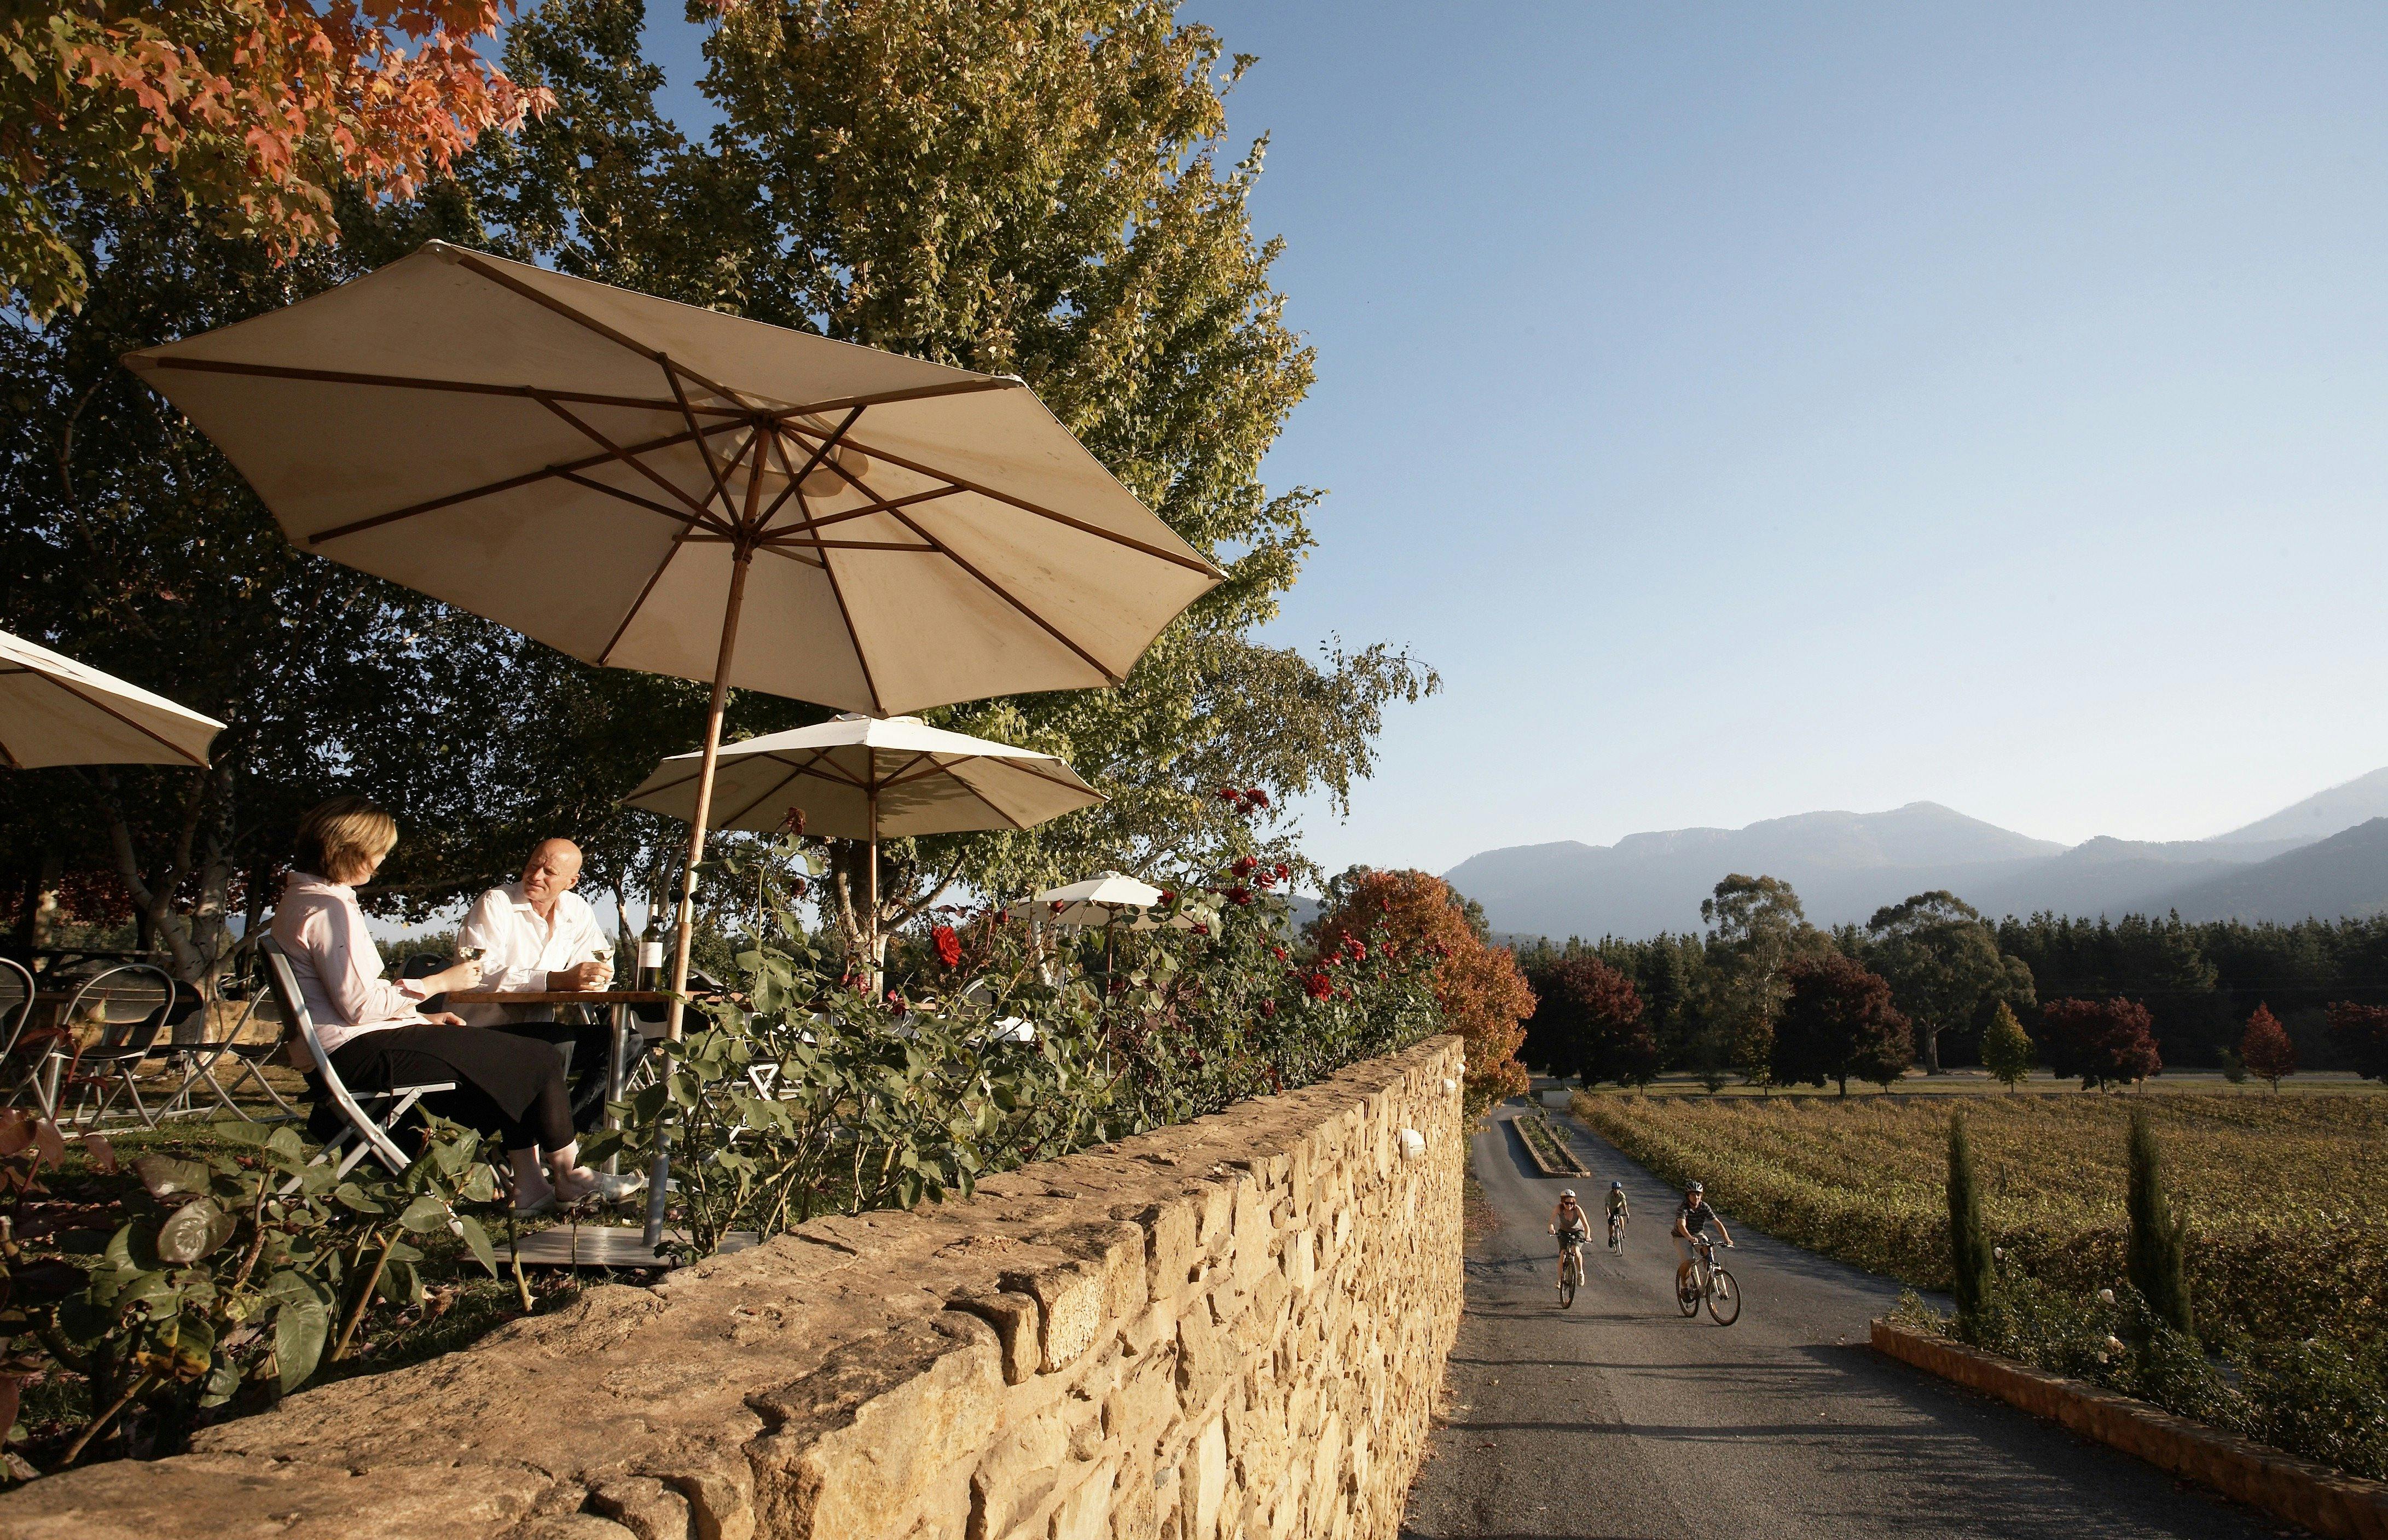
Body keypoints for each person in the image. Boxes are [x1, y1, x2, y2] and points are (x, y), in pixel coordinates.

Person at [268, 797, 637, 1214]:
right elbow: (358, 1005)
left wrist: (419, 1015)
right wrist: (438, 983)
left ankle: (531, 1189)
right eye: (379, 852)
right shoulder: (329, 908)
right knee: (538, 1057)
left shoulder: (306, 900)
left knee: (527, 1057)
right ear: (348, 849)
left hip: (349, 1047)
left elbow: (344, 1000)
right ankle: (569, 1175)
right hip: (356, 1052)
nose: (380, 864)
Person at [455, 839, 617, 1130]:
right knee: (556, 1042)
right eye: (533, 866)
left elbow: (598, 964)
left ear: (571, 881)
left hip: (536, 1032)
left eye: (549, 872)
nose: (536, 876)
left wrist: (593, 979)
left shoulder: (576, 910)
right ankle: (547, 1141)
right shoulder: (496, 903)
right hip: (480, 1033)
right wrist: (554, 980)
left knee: (623, 1042)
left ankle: (565, 1132)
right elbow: (477, 974)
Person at [1673, 1180, 1732, 1295]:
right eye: (1693, 1195)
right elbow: (1681, 1225)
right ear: (1688, 1196)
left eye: (1699, 1194)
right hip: (1681, 1236)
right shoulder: (1683, 1208)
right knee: (1688, 1261)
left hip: (1698, 1234)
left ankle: (1710, 1281)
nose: (1697, 1197)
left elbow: (1717, 1222)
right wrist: (1690, 1238)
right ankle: (1684, 1287)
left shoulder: (1704, 1207)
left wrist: (1727, 1238)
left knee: (1709, 1253)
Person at [1547, 1188, 1590, 1293]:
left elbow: (1586, 1225)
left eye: (1572, 1203)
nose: (1570, 1205)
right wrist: (1551, 1229)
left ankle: (1580, 1273)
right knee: (1563, 1253)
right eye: (1567, 1203)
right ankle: (1559, 1280)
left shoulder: (1578, 1210)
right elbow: (1551, 1221)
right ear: (1562, 1202)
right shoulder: (1559, 1208)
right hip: (1564, 1232)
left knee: (1575, 1249)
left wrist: (1588, 1236)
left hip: (1578, 1232)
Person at [1605, 1179, 1630, 1246]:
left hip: (1618, 1207)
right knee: (1611, 1224)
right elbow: (1607, 1205)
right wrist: (1608, 1212)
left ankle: (1622, 1230)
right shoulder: (1609, 1195)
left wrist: (1627, 1213)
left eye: (1618, 1189)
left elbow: (1624, 1205)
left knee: (1620, 1216)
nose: (1617, 1190)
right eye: (1615, 1189)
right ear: (1613, 1189)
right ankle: (1611, 1237)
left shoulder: (1622, 1195)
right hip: (1611, 1209)